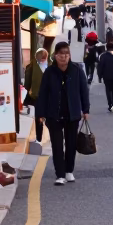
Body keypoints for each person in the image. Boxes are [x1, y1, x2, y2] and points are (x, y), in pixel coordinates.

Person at [35, 42, 90, 185]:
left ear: (69, 55)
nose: (64, 57)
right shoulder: (49, 72)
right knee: (57, 145)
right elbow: (43, 94)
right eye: (60, 54)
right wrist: (40, 113)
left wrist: (86, 109)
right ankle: (60, 174)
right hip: (54, 115)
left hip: (72, 114)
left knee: (71, 144)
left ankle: (69, 171)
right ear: (55, 56)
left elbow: (83, 91)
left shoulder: (77, 70)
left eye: (66, 54)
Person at [22, 48, 49, 143]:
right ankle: (39, 138)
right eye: (41, 58)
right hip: (38, 97)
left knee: (44, 118)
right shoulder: (32, 67)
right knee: (39, 118)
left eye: (44, 58)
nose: (42, 60)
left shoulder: (50, 66)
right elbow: (27, 84)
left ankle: (41, 137)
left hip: (45, 96)